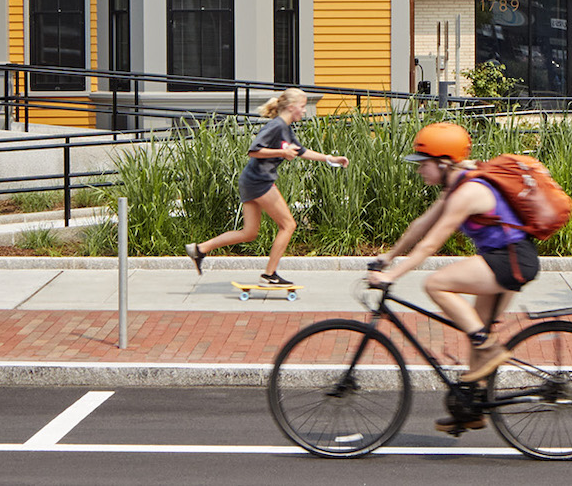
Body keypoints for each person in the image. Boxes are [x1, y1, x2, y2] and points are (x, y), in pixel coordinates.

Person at [368, 121, 539, 427]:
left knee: (436, 284)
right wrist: (388, 256)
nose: (420, 170)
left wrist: (393, 276)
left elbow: (431, 243)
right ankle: (471, 410)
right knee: (476, 328)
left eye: (425, 164)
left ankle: (489, 350)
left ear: (445, 162)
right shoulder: (455, 187)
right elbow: (421, 226)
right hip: (503, 258)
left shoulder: (468, 192)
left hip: (511, 260)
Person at [186, 88, 347, 285]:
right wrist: (281, 153)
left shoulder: (286, 129)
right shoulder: (276, 126)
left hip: (251, 180)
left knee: (249, 233)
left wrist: (331, 159)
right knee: (288, 225)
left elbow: (301, 151)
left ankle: (199, 249)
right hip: (259, 181)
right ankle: (269, 275)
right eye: (303, 107)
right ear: (291, 107)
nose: (304, 111)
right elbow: (254, 151)